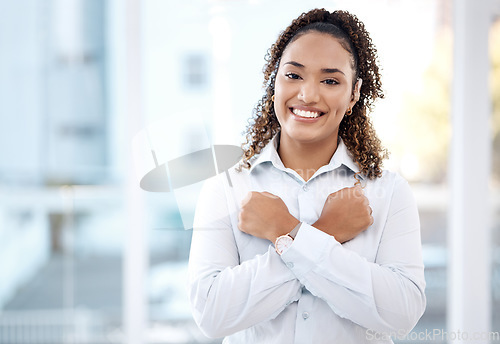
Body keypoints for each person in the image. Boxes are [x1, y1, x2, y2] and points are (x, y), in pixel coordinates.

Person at [188, 8, 426, 343]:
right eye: (294, 75)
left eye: (330, 80)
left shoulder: (388, 192)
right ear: (275, 81)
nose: (307, 95)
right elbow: (211, 314)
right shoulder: (227, 188)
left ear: (354, 93)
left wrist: (285, 232)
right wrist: (326, 232)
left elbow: (401, 315)